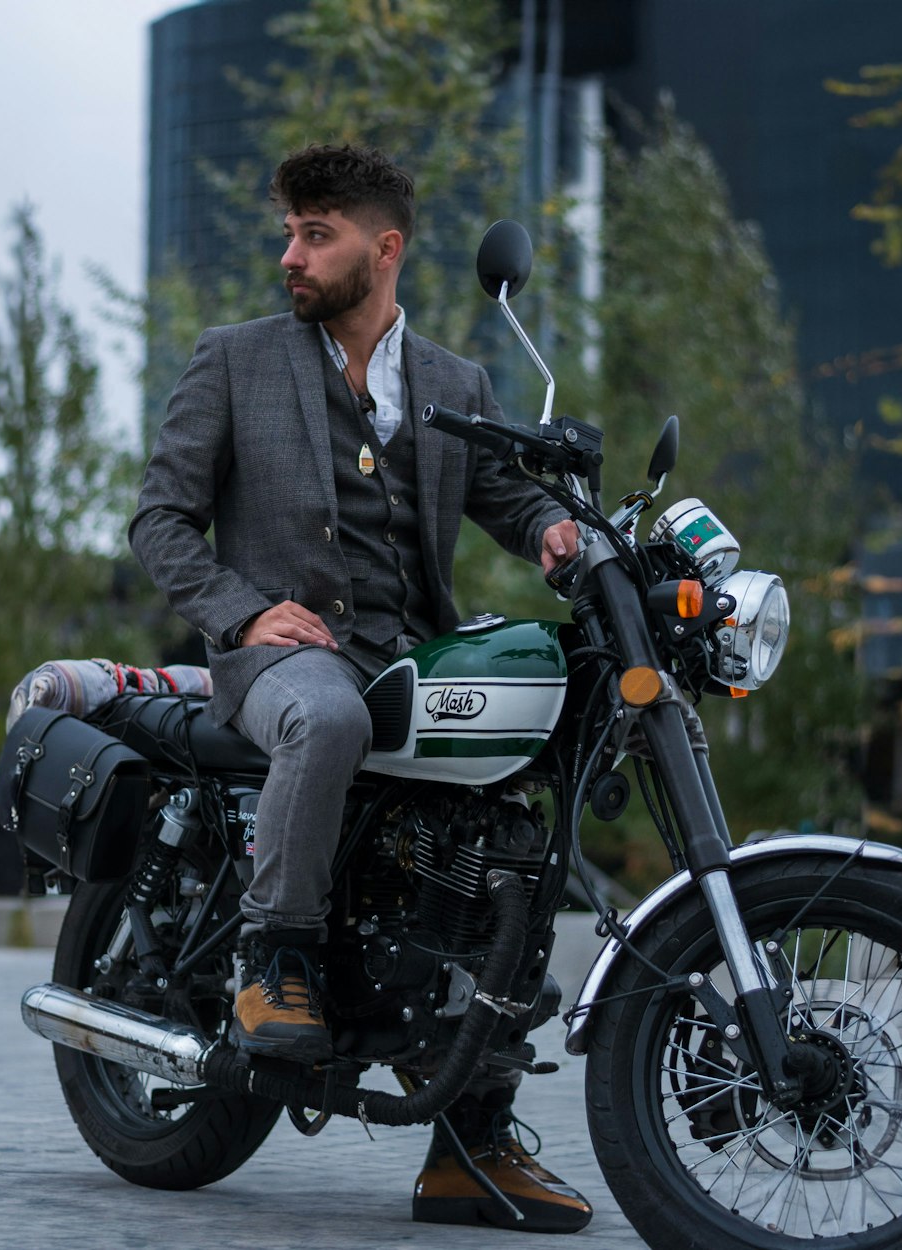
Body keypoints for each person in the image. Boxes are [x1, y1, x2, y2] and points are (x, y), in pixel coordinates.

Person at [130, 143, 590, 1233]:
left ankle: (467, 1145)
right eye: (288, 230)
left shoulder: (455, 385)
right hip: (283, 659)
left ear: (383, 249)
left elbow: (507, 501)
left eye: (315, 232)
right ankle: (272, 955)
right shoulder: (234, 358)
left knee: (508, 820)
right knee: (328, 712)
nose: (289, 253)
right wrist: (241, 609)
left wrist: (555, 530)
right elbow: (159, 519)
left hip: (409, 658)